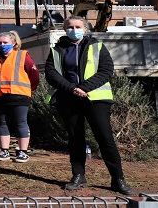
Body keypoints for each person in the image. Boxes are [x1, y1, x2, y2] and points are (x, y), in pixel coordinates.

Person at [44, 16, 132, 195]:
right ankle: (78, 176)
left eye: (77, 26)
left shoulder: (97, 46)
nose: (73, 29)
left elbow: (106, 71)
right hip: (68, 99)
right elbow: (51, 74)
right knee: (75, 139)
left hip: (96, 99)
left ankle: (118, 179)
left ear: (85, 29)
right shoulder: (57, 50)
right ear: (64, 29)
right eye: (69, 27)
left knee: (105, 138)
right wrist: (73, 89)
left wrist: (83, 88)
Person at [0, 31, 39, 163]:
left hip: (18, 95)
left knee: (21, 123)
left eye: (5, 43)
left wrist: (29, 89)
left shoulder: (22, 56)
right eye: (0, 43)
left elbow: (34, 75)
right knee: (2, 123)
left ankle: (23, 152)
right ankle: (4, 151)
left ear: (14, 43)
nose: (2, 45)